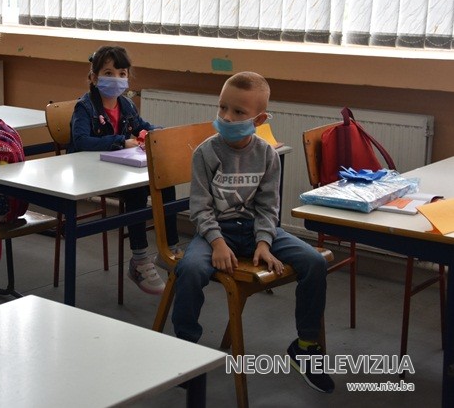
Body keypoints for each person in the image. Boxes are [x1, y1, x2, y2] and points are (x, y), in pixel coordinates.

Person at [172, 71, 334, 393]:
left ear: (259, 119)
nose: (226, 117)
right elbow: (200, 208)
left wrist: (263, 243)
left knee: (314, 262)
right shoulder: (205, 152)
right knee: (189, 269)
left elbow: (268, 207)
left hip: (256, 231)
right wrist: (217, 243)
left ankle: (304, 346)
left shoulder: (267, 155)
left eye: (238, 112)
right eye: (222, 107)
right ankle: (185, 348)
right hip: (216, 232)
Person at [69, 45, 179, 295]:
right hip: (91, 172)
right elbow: (82, 141)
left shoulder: (126, 105)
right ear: (94, 77)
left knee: (165, 181)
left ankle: (169, 250)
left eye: (122, 74)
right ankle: (139, 259)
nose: (116, 79)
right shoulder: (85, 107)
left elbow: (141, 126)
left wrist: (156, 132)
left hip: (117, 168)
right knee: (136, 191)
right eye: (108, 73)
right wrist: (121, 141)